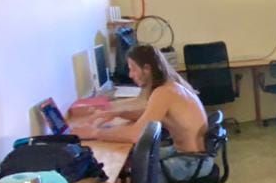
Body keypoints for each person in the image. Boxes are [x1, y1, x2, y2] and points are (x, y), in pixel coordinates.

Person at [69, 45, 209, 153]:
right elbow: (149, 115)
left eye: (133, 69)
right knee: (134, 161)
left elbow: (136, 134)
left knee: (133, 175)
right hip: (191, 155)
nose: (130, 75)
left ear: (147, 69)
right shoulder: (170, 86)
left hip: (190, 162)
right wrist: (117, 113)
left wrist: (94, 133)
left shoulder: (164, 92)